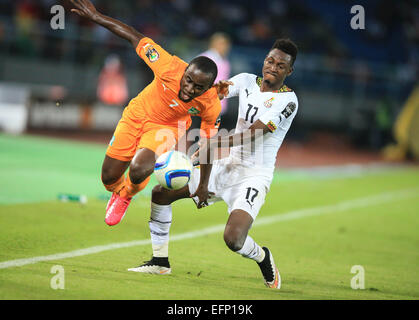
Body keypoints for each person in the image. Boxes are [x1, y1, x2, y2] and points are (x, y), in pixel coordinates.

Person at [128, 39, 299, 289]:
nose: (273, 67)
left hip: (254, 175)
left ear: (289, 71)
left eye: (280, 65)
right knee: (161, 194)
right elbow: (211, 92)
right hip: (227, 165)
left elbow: (254, 132)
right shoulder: (246, 81)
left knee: (234, 239)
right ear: (264, 60)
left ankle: (263, 257)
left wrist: (218, 141)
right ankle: (160, 261)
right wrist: (187, 97)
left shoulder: (288, 102)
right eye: (270, 61)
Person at [69, 0, 221, 226]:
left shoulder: (210, 104)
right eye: (188, 80)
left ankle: (127, 194)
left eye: (198, 87)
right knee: (109, 177)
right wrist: (96, 16)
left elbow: (209, 144)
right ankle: (117, 190)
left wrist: (202, 186)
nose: (189, 88)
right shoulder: (167, 65)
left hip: (166, 129)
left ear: (208, 88)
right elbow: (133, 35)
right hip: (136, 115)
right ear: (185, 70)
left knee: (139, 169)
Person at [201, 33, 231, 115]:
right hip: (204, 104)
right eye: (221, 43)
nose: (225, 47)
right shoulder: (205, 58)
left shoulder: (224, 60)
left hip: (218, 104)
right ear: (213, 43)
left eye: (226, 44)